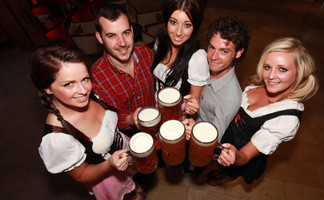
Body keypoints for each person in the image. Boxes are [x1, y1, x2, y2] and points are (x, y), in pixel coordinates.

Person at [30, 40, 143, 200]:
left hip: (126, 155)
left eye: (85, 79)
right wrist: (110, 164)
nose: (84, 91)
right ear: (47, 88)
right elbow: (81, 174)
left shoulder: (92, 93)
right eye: (69, 84)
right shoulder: (58, 138)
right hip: (108, 176)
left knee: (136, 186)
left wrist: (130, 118)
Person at [207, 37, 319, 185]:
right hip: (227, 138)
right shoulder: (260, 85)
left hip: (241, 153)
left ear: (299, 73)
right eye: (267, 67)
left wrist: (235, 157)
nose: (270, 76)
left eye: (282, 69)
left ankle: (226, 176)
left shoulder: (287, 119)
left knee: (229, 170)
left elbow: (245, 156)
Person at [91, 4, 155, 136]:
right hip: (131, 134)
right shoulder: (97, 77)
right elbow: (111, 118)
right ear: (99, 37)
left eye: (126, 33)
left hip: (156, 121)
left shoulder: (147, 54)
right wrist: (131, 119)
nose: (122, 43)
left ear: (132, 31)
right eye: (111, 36)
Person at [183, 17, 250, 141]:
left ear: (238, 53)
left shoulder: (230, 98)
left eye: (224, 51)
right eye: (212, 47)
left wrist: (195, 128)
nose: (213, 57)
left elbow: (213, 140)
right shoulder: (202, 62)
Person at [152, 0, 209, 115]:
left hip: (175, 115)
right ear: (166, 21)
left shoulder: (197, 59)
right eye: (173, 22)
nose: (178, 32)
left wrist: (192, 107)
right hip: (154, 106)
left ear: (194, 27)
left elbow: (193, 101)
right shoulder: (160, 42)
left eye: (187, 25)